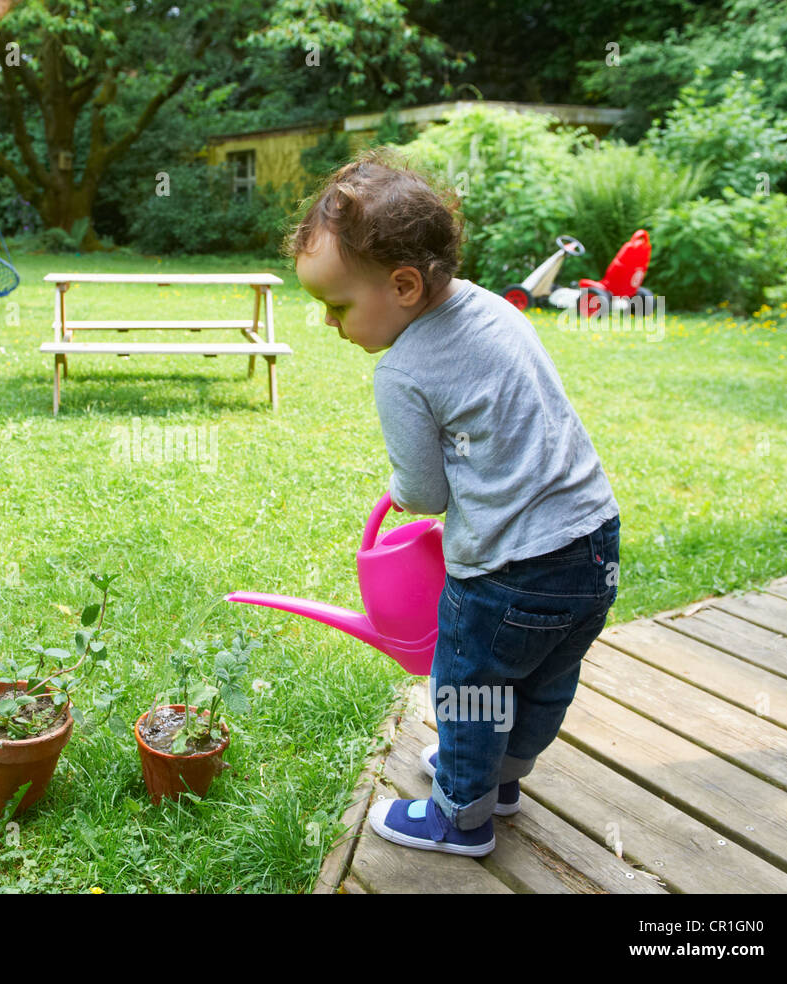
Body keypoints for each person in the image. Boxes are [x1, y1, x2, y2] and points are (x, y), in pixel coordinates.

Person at [284, 147, 620, 857]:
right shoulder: (497, 309)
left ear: (403, 285)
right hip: (593, 545)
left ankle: (460, 817)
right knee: (545, 676)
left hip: (507, 570)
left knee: (470, 690)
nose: (328, 324)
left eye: (336, 306)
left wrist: (399, 492)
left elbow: (426, 492)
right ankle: (501, 778)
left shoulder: (402, 370)